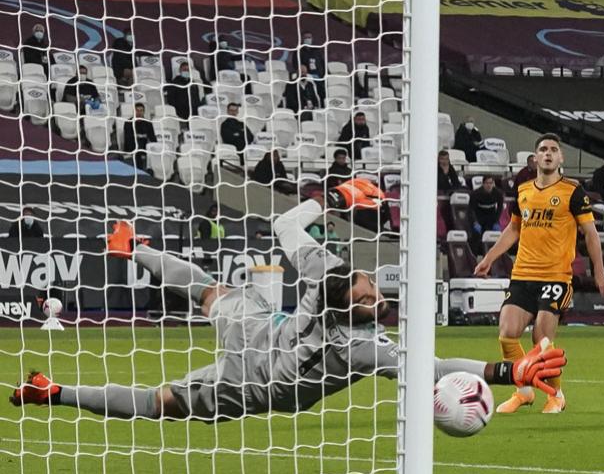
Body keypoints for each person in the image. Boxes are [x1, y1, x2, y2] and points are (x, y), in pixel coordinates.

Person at [11, 179, 566, 421]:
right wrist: (503, 370)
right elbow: (432, 367)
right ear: (344, 312)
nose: (375, 299)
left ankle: (132, 250)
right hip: (264, 385)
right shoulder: (358, 347)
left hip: (265, 330)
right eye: (368, 301)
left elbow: (285, 220)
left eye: (372, 292)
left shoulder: (327, 267)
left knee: (212, 292)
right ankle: (56, 393)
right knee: (161, 404)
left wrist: (335, 196)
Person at [474, 133, 604, 415]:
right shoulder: (524, 189)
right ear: (535, 158)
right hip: (523, 273)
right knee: (507, 334)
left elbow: (590, 233)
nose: (548, 153)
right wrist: (489, 258)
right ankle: (524, 392)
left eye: (553, 150)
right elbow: (514, 228)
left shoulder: (573, 192)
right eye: (543, 149)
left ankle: (556, 395)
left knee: (542, 338)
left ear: (560, 157)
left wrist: (599, 272)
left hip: (556, 276)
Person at [122, 102, 157, 169]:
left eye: (141, 111)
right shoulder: (128, 123)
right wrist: (140, 136)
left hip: (144, 145)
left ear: (144, 112)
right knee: (137, 147)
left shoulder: (148, 123)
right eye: (137, 110)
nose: (139, 113)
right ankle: (140, 169)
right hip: (132, 145)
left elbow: (152, 138)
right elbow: (128, 137)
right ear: (134, 111)